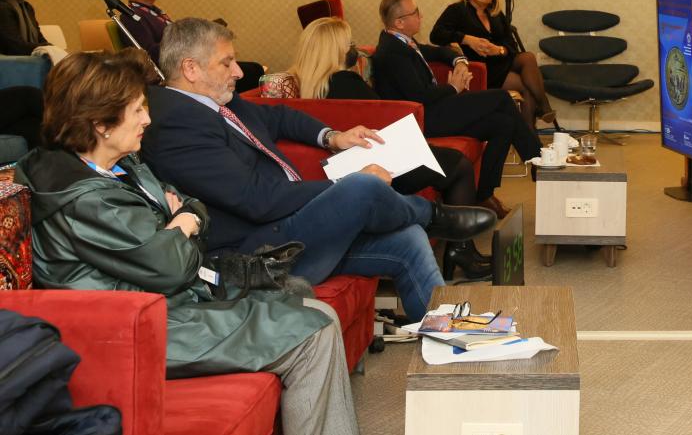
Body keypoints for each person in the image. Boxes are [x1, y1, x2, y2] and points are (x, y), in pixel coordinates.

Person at [17, 50, 360, 435]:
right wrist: (183, 223)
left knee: (301, 296)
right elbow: (171, 266)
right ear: (100, 124)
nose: (148, 119)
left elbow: (190, 207)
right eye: (136, 110)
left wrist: (182, 222)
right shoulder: (88, 199)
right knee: (314, 330)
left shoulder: (119, 166)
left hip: (169, 300)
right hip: (138, 327)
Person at [141, 18, 496, 319]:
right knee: (362, 187)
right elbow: (256, 199)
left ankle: (447, 333)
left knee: (408, 239)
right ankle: (433, 215)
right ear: (190, 69)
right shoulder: (175, 124)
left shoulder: (215, 102)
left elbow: (280, 116)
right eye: (227, 63)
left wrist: (333, 137)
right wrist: (344, 185)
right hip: (257, 254)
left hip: (288, 230)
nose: (238, 72)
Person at [287, 16, 491, 280]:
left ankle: (460, 250)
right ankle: (461, 251)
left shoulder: (310, 85)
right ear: (334, 50)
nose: (354, 49)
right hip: (381, 165)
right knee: (459, 165)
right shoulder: (346, 82)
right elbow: (385, 116)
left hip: (352, 166)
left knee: (447, 159)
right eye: (349, 44)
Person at [371, 0, 542, 219]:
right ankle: (538, 159)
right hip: (423, 119)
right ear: (399, 22)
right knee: (502, 98)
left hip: (435, 109)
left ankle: (484, 194)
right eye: (415, 12)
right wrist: (453, 87)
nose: (421, 16)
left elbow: (440, 51)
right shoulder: (392, 53)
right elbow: (419, 96)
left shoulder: (403, 41)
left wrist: (459, 60)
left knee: (503, 124)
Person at [429, 0, 559, 127]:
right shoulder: (457, 10)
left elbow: (511, 45)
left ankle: (539, 115)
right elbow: (436, 35)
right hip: (483, 68)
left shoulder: (495, 14)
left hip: (501, 61)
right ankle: (541, 112)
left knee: (528, 57)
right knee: (527, 86)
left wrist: (498, 50)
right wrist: (467, 39)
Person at [118, 0, 262, 93]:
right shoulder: (131, 17)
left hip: (188, 64)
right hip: (174, 74)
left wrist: (197, 35)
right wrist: (186, 40)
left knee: (254, 68)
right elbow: (148, 55)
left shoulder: (154, 12)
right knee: (252, 72)